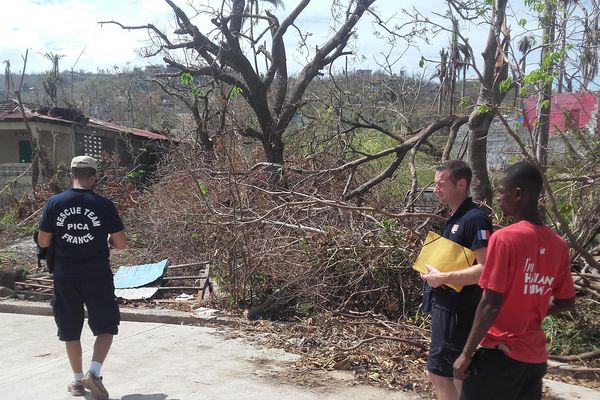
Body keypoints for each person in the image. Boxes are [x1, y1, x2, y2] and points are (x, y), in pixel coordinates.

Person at [453, 161, 576, 400]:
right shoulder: (558, 245)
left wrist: (466, 355)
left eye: (501, 191)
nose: (498, 198)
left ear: (518, 194)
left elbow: (491, 303)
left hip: (500, 357)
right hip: (534, 359)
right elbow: (567, 301)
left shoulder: (505, 239)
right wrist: (531, 311)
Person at [37, 155, 127, 400]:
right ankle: (94, 373)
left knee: (70, 329)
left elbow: (43, 241)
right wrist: (103, 238)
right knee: (106, 325)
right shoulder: (104, 204)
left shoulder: (54, 203)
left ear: (71, 175)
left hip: (65, 275)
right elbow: (121, 244)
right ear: (94, 177)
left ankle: (77, 381)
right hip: (97, 274)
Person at [421, 160, 493, 400]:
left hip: (458, 310)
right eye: (435, 184)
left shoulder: (475, 219)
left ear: (461, 184)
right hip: (445, 305)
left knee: (439, 373)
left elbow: (486, 270)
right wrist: (431, 273)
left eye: (441, 184)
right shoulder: (454, 217)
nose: (436, 189)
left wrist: (444, 277)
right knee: (452, 374)